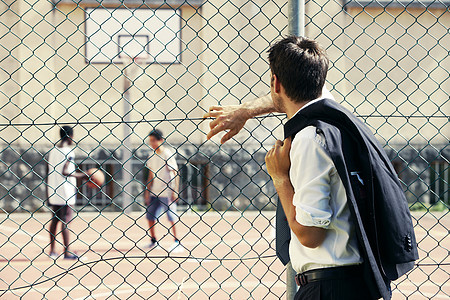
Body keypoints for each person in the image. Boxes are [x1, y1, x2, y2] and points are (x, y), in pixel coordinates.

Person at [203, 36, 417, 300]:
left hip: (328, 288)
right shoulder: (335, 121)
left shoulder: (308, 138)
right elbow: (301, 96)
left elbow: (310, 234)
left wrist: (280, 178)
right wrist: (246, 110)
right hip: (352, 282)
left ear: (276, 83)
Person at [46, 126, 87, 260]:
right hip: (66, 190)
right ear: (70, 136)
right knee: (66, 220)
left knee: (54, 220)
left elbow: (49, 169)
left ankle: (52, 251)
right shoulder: (69, 152)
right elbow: (65, 171)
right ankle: (67, 252)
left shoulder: (52, 151)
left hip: (53, 188)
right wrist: (83, 175)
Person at [144, 129, 183, 253]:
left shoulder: (167, 154)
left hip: (167, 191)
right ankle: (153, 240)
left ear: (161, 140)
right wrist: (147, 191)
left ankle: (177, 241)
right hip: (154, 191)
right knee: (150, 216)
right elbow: (151, 175)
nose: (152, 143)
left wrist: (175, 190)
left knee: (171, 217)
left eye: (154, 140)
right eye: (150, 141)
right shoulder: (151, 155)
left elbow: (175, 172)